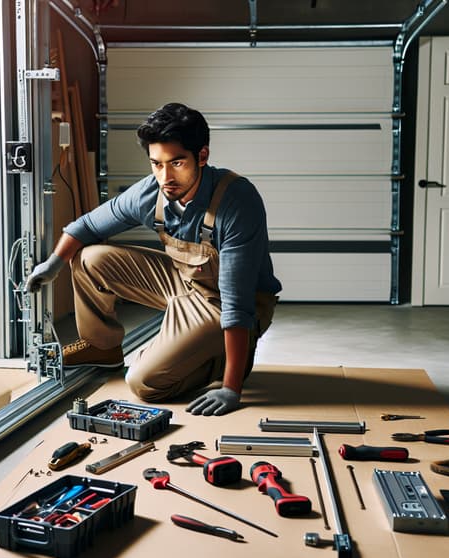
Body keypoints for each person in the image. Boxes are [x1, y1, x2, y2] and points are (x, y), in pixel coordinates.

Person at [24, 102, 281, 416]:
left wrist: (231, 388)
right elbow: (87, 226)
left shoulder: (237, 201)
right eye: (156, 164)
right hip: (185, 283)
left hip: (234, 303)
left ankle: (227, 364)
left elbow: (237, 304)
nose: (165, 176)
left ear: (202, 156)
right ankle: (101, 347)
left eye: (176, 163)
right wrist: (53, 265)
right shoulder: (151, 193)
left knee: (144, 382)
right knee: (90, 259)